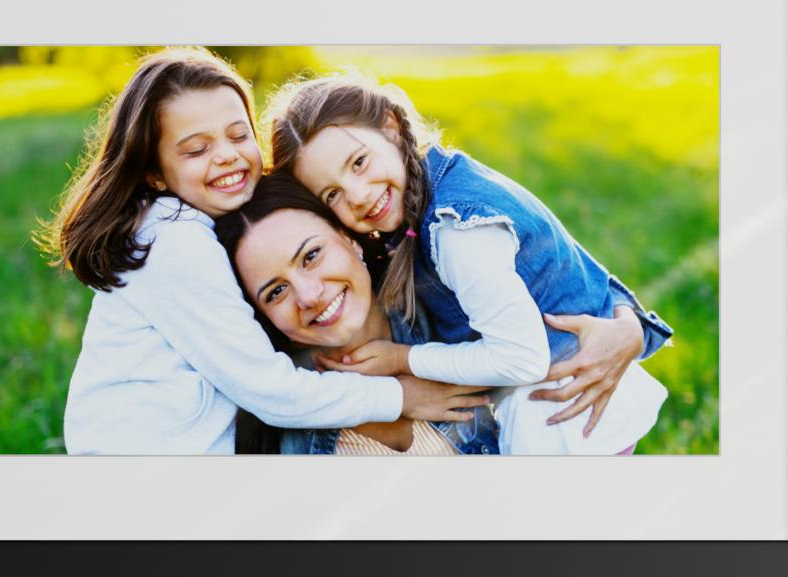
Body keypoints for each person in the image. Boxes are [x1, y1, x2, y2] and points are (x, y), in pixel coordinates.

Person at [35, 48, 489, 454]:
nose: (227, 156)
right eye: (196, 149)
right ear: (154, 173)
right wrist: (402, 397)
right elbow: (269, 389)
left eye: (238, 135)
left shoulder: (205, 231)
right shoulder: (171, 243)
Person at [266, 70, 673, 455]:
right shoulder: (435, 184)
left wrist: (400, 359)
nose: (355, 194)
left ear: (390, 127)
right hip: (565, 403)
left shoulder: (457, 229)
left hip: (564, 413)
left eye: (359, 163)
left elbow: (520, 359)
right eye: (332, 195)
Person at [215, 172, 501, 456]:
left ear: (349, 239)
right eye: (276, 292)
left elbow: (532, 352)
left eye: (311, 256)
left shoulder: (449, 299)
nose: (309, 296)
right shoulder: (287, 435)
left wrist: (544, 375)